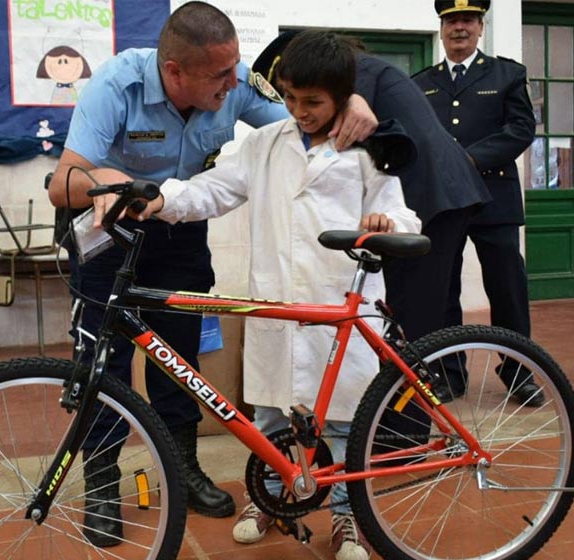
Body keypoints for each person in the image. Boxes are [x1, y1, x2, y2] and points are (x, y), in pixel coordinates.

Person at [47, 1, 378, 548]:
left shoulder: (238, 81)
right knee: (100, 361)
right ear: (175, 71)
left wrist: (354, 100)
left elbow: (303, 134)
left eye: (236, 69)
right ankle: (102, 484)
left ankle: (181, 469)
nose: (236, 82)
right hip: (111, 224)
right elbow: (63, 183)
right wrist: (106, 176)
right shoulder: (116, 84)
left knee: (177, 355)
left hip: (178, 222)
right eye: (220, 75)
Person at [140, 30, 421, 560]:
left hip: (337, 304)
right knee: (268, 419)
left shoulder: (367, 152)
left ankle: (345, 517)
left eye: (312, 102)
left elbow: (403, 213)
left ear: (342, 96)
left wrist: (386, 220)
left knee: (342, 425)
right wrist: (162, 199)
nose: (299, 111)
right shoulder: (265, 144)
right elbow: (215, 189)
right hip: (275, 304)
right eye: (290, 98)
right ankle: (267, 499)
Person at [413, 0, 540, 405]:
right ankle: (449, 375)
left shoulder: (507, 74)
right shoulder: (421, 82)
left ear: (480, 27)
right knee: (442, 289)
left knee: (507, 290)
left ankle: (519, 373)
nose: (459, 28)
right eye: (451, 21)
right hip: (443, 202)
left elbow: (521, 129)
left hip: (494, 197)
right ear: (442, 28)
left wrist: (468, 159)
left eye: (467, 20)